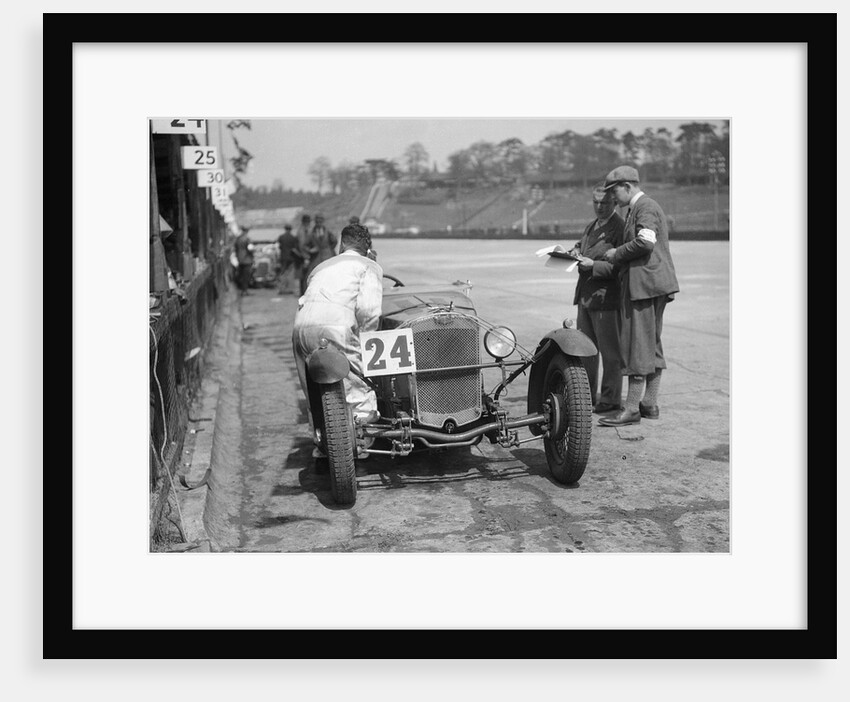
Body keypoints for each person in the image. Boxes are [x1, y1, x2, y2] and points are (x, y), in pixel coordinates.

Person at [598, 166, 679, 427]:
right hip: (653, 284)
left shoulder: (644, 206)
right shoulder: (640, 207)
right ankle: (649, 404)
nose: (612, 198)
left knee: (637, 346)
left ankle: (632, 408)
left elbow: (645, 242)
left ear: (627, 186)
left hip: (645, 286)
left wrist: (617, 253)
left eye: (614, 192)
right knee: (651, 344)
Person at [292, 223, 382, 457]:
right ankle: (361, 444)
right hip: (335, 326)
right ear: (368, 247)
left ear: (342, 244)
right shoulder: (368, 266)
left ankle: (322, 444)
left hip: (301, 326)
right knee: (359, 385)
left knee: (314, 390)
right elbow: (369, 312)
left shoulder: (322, 266)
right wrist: (366, 345)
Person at [567, 184, 625, 414]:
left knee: (611, 353)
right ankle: (588, 395)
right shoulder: (592, 225)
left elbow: (621, 264)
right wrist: (574, 251)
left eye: (605, 203)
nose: (599, 207)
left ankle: (610, 399)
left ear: (615, 204)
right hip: (585, 296)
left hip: (606, 298)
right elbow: (584, 246)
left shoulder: (619, 227)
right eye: (596, 202)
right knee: (586, 351)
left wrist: (595, 266)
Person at [302, 213, 338, 283]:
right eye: (317, 222)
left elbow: (334, 241)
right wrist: (310, 250)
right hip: (316, 258)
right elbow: (304, 245)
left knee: (329, 275)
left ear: (322, 222)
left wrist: (329, 249)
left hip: (327, 256)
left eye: (320, 222)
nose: (318, 223)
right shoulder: (311, 232)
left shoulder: (327, 231)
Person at [275, 223, 301, 294]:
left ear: (285, 229)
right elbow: (295, 249)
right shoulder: (293, 238)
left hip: (283, 257)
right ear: (291, 229)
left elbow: (278, 247)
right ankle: (289, 288)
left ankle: (281, 288)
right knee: (290, 273)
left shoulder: (281, 237)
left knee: (282, 272)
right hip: (291, 258)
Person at [295, 213, 314, 295]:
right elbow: (302, 245)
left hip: (302, 256)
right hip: (304, 256)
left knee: (304, 276)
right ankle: (304, 292)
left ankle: (303, 292)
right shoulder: (303, 231)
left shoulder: (301, 229)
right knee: (305, 275)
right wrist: (306, 256)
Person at [233, 226, 254, 295]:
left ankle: (242, 290)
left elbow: (235, 249)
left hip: (240, 259)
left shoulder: (238, 239)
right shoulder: (247, 239)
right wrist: (253, 253)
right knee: (246, 276)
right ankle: (245, 290)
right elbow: (250, 249)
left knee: (241, 275)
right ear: (247, 231)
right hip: (247, 260)